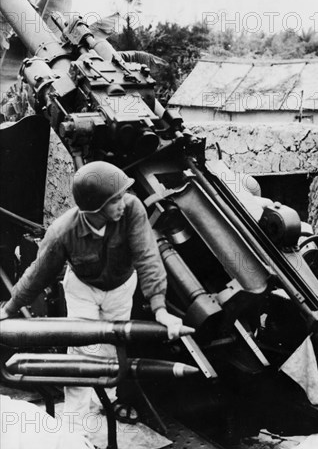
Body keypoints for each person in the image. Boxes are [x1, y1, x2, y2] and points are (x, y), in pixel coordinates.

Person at [0, 161, 191, 429]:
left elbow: (147, 257)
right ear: (94, 208)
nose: (122, 204)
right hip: (82, 290)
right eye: (114, 200)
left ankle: (106, 403)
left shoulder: (132, 209)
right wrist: (9, 310)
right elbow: (37, 274)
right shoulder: (63, 231)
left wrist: (160, 309)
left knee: (113, 344)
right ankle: (76, 418)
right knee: (82, 348)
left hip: (121, 287)